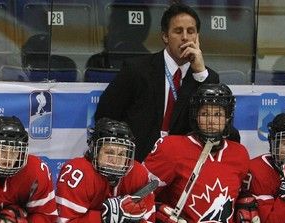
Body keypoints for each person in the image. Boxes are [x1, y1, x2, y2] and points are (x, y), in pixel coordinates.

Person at [95, 3, 222, 162]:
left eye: (191, 31)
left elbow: (214, 126)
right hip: (138, 161)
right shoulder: (137, 70)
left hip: (182, 166)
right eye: (178, 31)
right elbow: (105, 114)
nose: (185, 37)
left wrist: (200, 72)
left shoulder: (206, 77)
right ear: (165, 36)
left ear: (197, 37)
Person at [143, 83, 249, 223]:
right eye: (204, 114)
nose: (211, 121)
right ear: (195, 116)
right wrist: (158, 210)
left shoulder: (239, 153)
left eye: (218, 115)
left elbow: (238, 194)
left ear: (227, 118)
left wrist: (246, 205)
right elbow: (138, 194)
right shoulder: (172, 148)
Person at [55, 118, 155, 223]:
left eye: (122, 154)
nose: (116, 160)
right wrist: (105, 217)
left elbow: (148, 217)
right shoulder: (79, 172)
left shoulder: (138, 172)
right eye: (109, 152)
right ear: (94, 149)